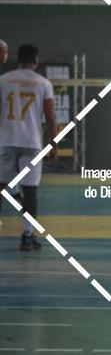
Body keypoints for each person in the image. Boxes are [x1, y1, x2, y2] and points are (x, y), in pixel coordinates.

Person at [0, 44, 57, 250]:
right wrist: (53, 144)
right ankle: (27, 235)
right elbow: (50, 116)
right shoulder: (43, 83)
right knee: (30, 191)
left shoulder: (3, 80)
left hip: (6, 141)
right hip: (32, 143)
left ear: (17, 59)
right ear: (36, 60)